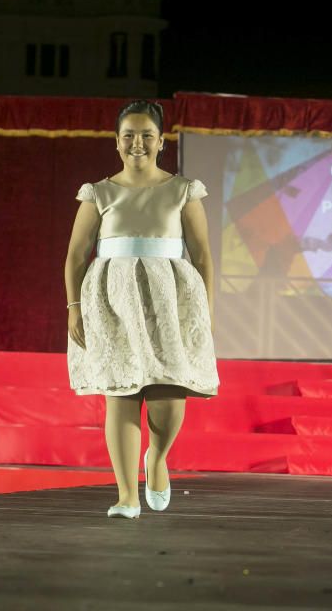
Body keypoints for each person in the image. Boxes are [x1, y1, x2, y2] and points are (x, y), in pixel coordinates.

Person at [64, 99, 219, 519]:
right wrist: (74, 308)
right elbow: (77, 256)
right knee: (121, 393)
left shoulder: (183, 190)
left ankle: (157, 457)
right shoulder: (98, 193)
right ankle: (127, 495)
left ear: (160, 141)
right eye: (129, 135)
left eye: (146, 135)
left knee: (168, 398)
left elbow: (203, 257)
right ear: (117, 142)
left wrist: (204, 312)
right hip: (112, 302)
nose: (137, 143)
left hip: (170, 302)